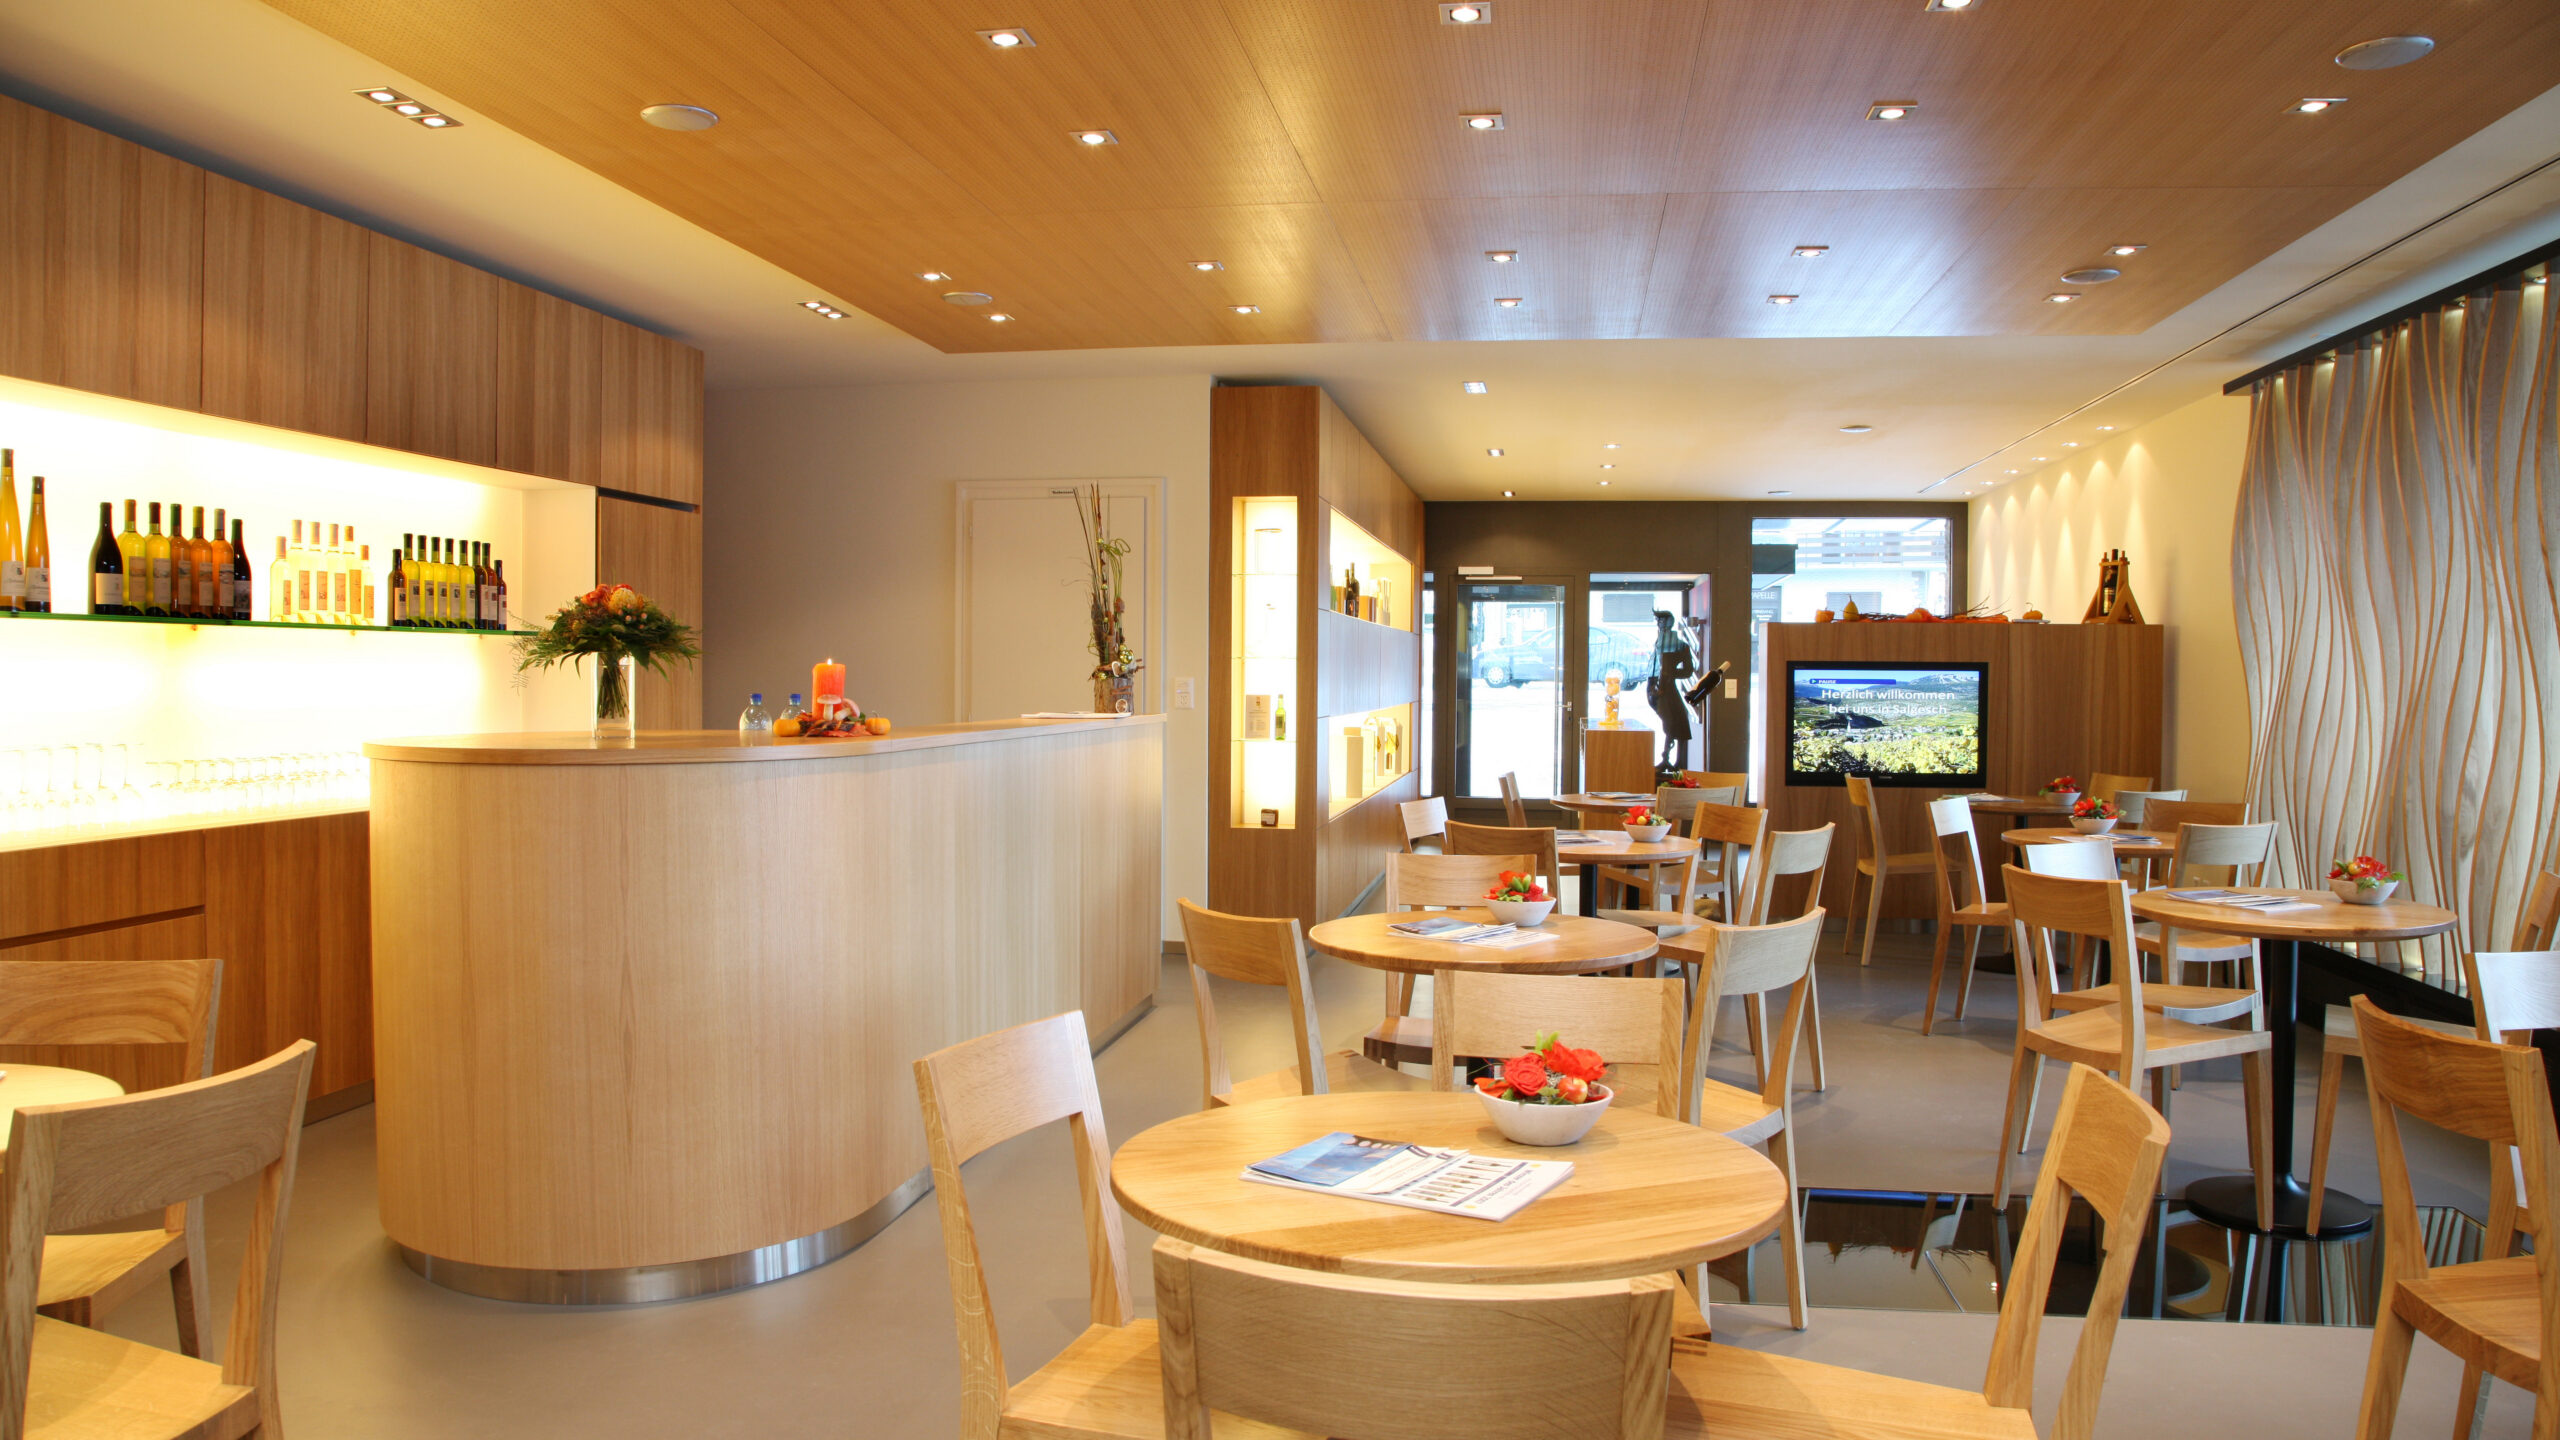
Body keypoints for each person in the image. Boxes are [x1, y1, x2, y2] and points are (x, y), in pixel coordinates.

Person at [1647, 610, 1697, 777]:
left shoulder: (1679, 645)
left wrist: (1670, 674)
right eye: (1657, 621)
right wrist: (1655, 683)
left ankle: (1671, 760)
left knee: (1676, 721)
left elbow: (1688, 671)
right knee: (1671, 722)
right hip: (1657, 688)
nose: (1658, 625)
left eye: (1661, 621)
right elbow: (1654, 668)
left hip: (1666, 689)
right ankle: (1668, 759)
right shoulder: (1659, 643)